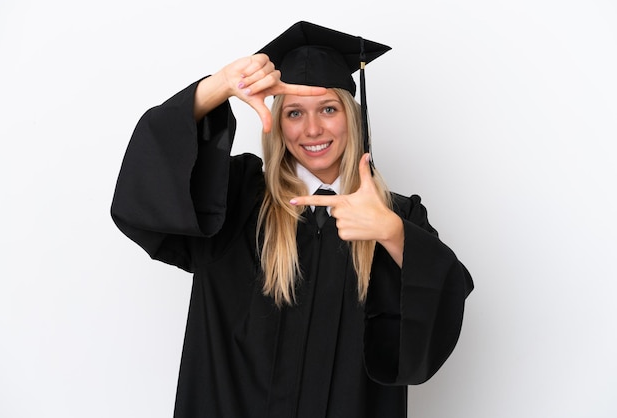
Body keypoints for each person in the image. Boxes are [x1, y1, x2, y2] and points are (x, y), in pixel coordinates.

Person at [111, 21, 473, 418]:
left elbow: (441, 306)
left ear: (352, 117)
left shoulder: (398, 217)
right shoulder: (235, 199)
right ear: (278, 124)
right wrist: (218, 87)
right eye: (295, 113)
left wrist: (391, 232)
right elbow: (142, 197)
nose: (312, 128)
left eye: (329, 109)